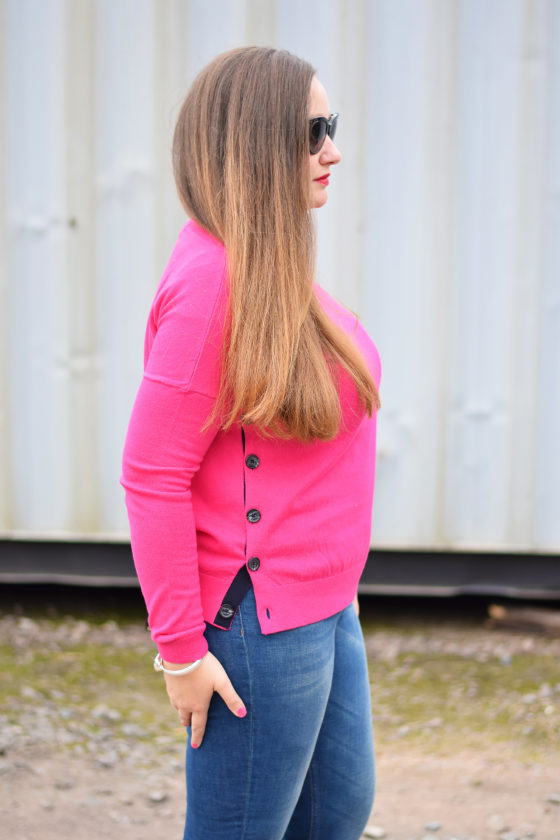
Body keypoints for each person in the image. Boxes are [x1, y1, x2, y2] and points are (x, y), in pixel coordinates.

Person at [121, 46, 381, 840]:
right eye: (313, 132)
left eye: (331, 128)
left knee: (337, 812)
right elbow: (151, 474)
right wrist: (180, 652)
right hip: (259, 623)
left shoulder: (269, 263)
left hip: (325, 602)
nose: (332, 149)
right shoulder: (212, 284)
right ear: (257, 144)